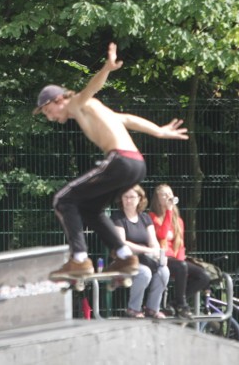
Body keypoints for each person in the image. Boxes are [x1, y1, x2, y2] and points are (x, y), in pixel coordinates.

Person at [33, 42, 188, 277]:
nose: (50, 117)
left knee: (62, 199)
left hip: (120, 161)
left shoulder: (75, 103)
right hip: (137, 165)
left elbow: (90, 88)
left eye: (48, 112)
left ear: (58, 101)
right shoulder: (97, 109)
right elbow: (126, 118)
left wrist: (106, 68)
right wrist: (158, 131)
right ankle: (125, 257)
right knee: (90, 209)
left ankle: (79, 259)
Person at [149, 183, 211, 318]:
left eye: (170, 194)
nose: (168, 197)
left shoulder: (178, 221)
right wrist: (169, 212)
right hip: (161, 258)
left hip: (176, 261)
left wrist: (182, 263)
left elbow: (180, 244)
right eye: (164, 195)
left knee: (204, 276)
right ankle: (182, 305)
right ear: (157, 199)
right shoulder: (152, 217)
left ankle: (174, 304)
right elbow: (162, 235)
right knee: (181, 266)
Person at [112, 185, 169, 319]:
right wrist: (147, 250)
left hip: (145, 259)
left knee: (164, 271)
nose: (128, 200)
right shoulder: (117, 218)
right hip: (125, 260)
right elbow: (122, 242)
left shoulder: (145, 218)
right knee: (144, 273)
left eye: (132, 197)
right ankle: (133, 309)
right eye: (125, 197)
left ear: (139, 199)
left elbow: (153, 241)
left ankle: (152, 308)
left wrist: (158, 253)